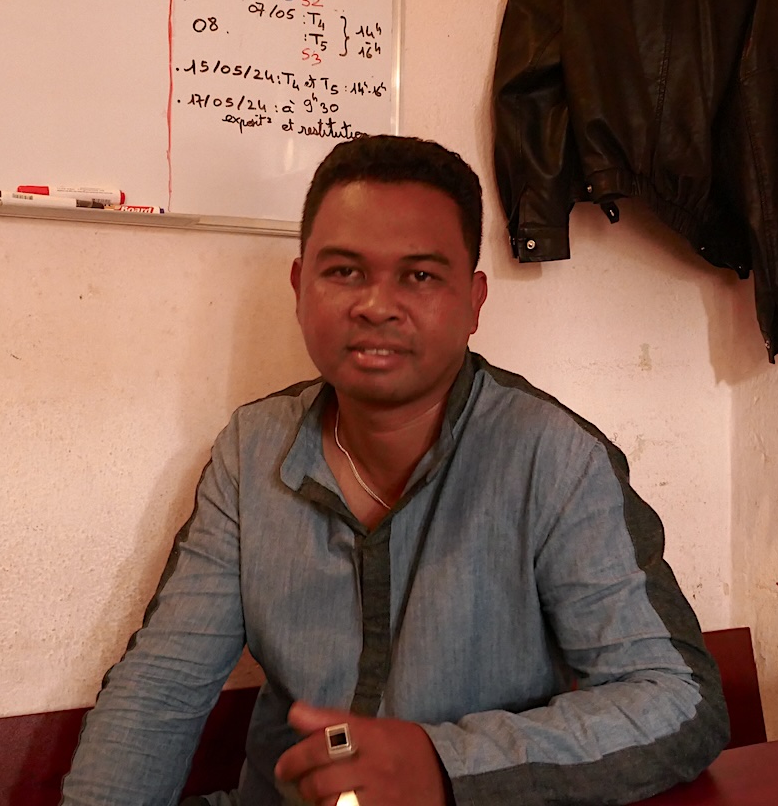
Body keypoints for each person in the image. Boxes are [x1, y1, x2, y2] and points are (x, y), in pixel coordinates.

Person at [60, 136, 729, 806]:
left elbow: (677, 701)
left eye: (419, 276)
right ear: (300, 288)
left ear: (473, 302)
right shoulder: (252, 449)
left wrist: (446, 767)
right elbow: (161, 688)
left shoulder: (553, 458)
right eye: (345, 271)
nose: (376, 305)